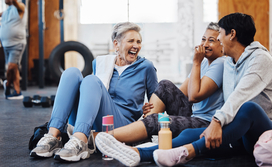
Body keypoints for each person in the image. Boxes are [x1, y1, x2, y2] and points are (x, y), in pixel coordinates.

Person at [94, 13, 272, 167]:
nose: (216, 41)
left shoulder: (259, 59)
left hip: (260, 130)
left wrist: (216, 122)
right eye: (207, 39)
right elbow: (181, 93)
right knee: (186, 130)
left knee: (248, 107)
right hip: (237, 131)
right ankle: (138, 152)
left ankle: (184, 151)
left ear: (231, 35)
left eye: (218, 37)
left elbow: (238, 97)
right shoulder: (231, 63)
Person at [29, 22, 158, 162]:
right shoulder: (100, 63)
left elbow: (158, 102)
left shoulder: (146, 67)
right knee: (71, 72)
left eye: (139, 41)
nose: (136, 45)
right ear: (116, 44)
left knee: (91, 80)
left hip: (122, 125)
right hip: (94, 120)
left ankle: (80, 141)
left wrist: (147, 110)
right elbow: (96, 96)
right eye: (131, 41)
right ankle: (53, 137)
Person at [94, 22, 225, 147]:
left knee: (158, 120)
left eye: (211, 40)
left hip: (206, 121)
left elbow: (194, 96)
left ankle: (99, 137)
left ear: (222, 44)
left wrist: (195, 62)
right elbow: (180, 94)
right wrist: (150, 107)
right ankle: (141, 130)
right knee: (165, 85)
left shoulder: (220, 63)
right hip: (192, 113)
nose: (205, 44)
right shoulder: (203, 63)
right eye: (203, 39)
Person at [0, 0, 26, 100]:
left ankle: (7, 85)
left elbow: (15, 1)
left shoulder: (19, 7)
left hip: (17, 43)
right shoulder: (5, 12)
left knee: (11, 67)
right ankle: (17, 92)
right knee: (14, 68)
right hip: (6, 44)